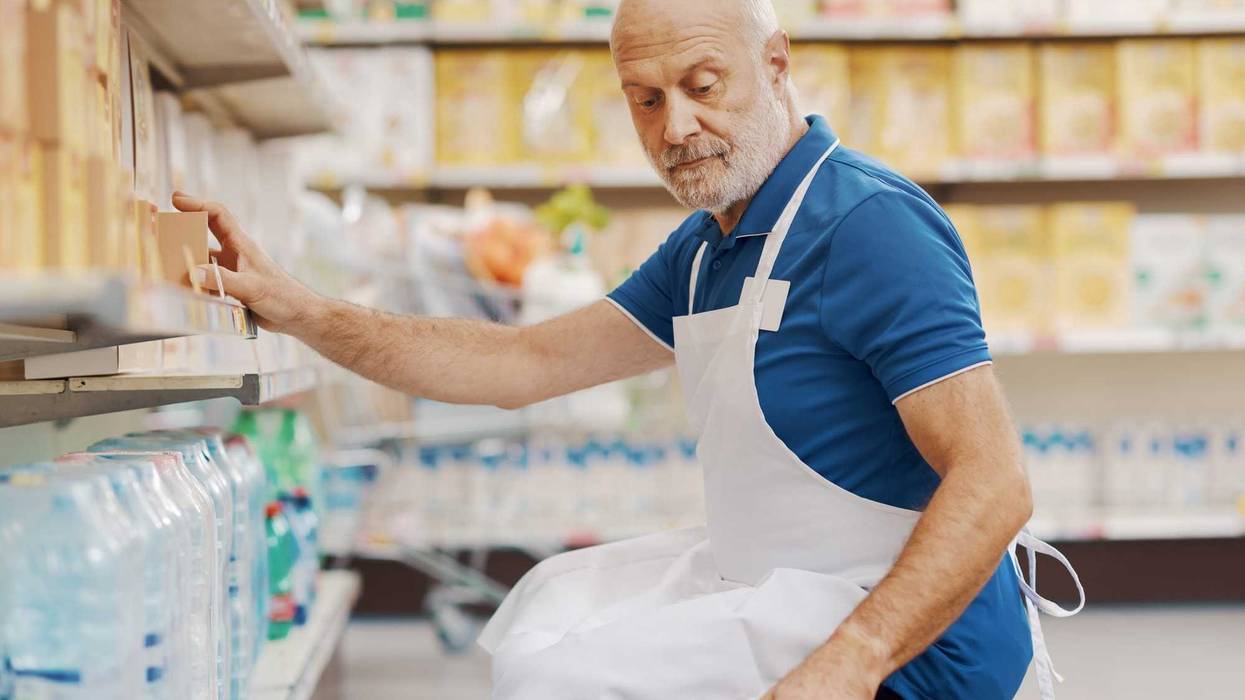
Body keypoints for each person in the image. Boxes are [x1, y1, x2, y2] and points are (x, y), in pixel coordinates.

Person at [173, 0, 1083, 697]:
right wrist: (296, 306)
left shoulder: (869, 225)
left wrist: (852, 661)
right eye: (644, 100)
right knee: (545, 606)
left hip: (919, 640)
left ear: (775, 66)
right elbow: (519, 366)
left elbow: (994, 481)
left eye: (701, 85)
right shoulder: (708, 248)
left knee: (560, 677)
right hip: (786, 583)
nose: (673, 128)